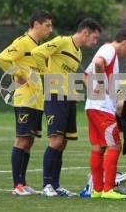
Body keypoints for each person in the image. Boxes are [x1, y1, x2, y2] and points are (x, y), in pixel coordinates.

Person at [31, 17, 103, 197]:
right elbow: (37, 53)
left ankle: (55, 185)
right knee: (55, 140)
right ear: (85, 32)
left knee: (62, 143)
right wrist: (45, 75)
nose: (95, 42)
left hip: (69, 99)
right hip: (55, 97)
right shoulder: (61, 41)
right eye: (94, 37)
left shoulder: (77, 53)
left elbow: (69, 76)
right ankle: (46, 185)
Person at [0, 10, 54, 196]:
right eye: (47, 25)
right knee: (21, 139)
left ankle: (23, 182)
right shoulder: (22, 42)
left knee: (28, 140)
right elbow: (2, 58)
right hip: (25, 99)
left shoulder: (38, 46)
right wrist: (18, 75)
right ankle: (16, 185)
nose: (50, 30)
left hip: (36, 101)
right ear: (36, 24)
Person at [83, 28, 126, 199]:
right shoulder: (109, 50)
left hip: (93, 105)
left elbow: (85, 75)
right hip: (102, 108)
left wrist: (95, 90)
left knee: (99, 146)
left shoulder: (108, 51)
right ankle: (108, 189)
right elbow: (98, 63)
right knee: (115, 145)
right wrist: (101, 85)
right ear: (125, 42)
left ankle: (97, 189)